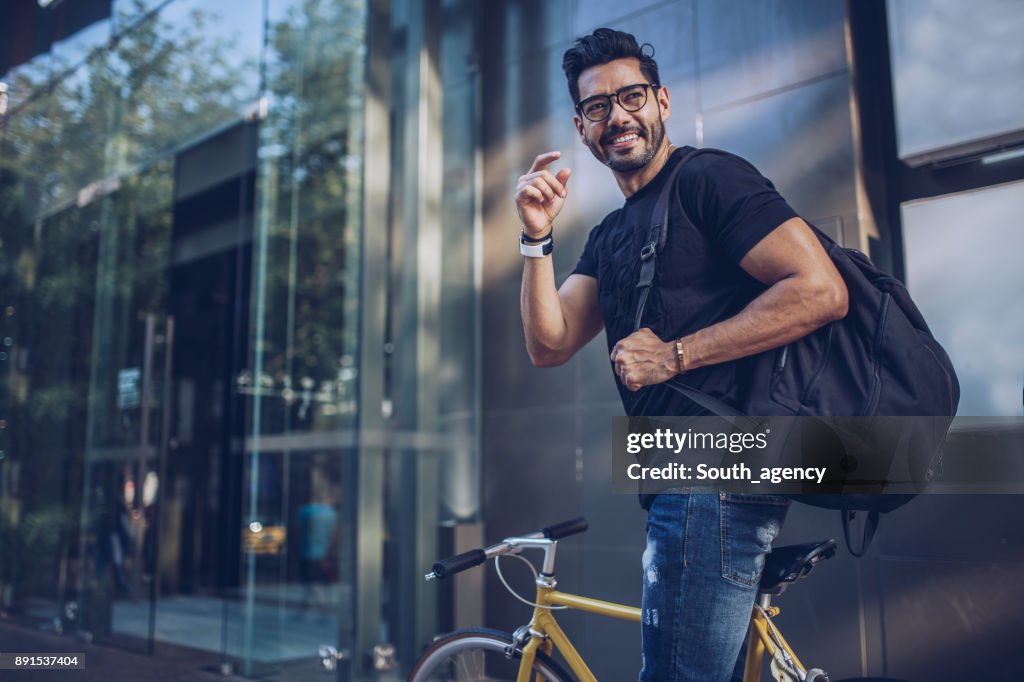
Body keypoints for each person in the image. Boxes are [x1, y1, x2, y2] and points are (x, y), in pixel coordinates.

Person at [514, 28, 849, 681]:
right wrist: (534, 241)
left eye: (631, 95)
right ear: (581, 130)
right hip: (675, 472)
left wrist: (675, 355)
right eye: (596, 107)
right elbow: (549, 345)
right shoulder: (611, 235)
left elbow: (819, 290)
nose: (617, 116)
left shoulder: (710, 180)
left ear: (662, 101)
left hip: (714, 470)